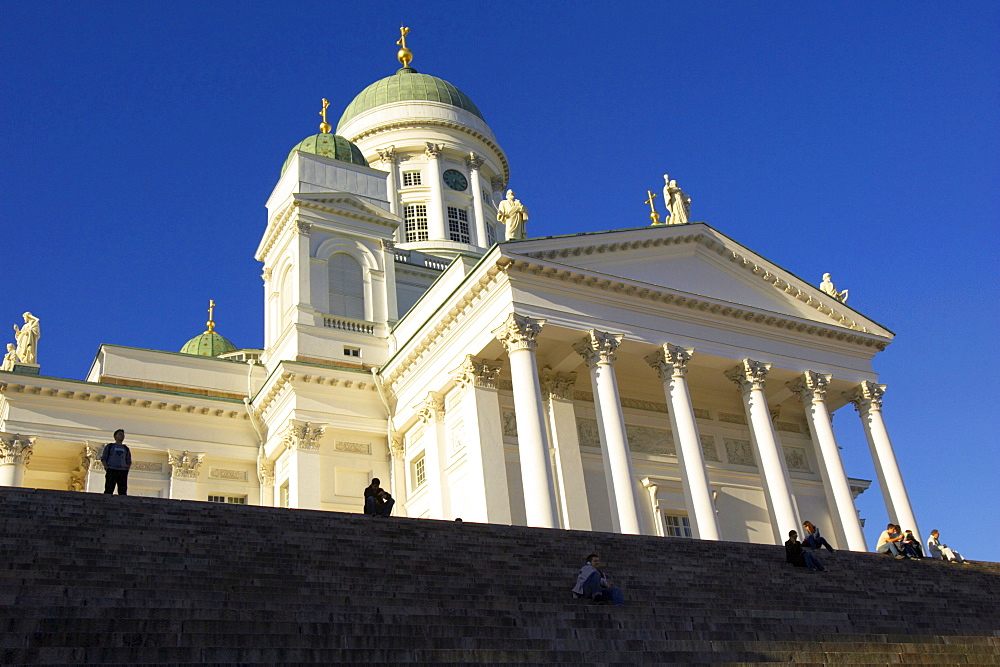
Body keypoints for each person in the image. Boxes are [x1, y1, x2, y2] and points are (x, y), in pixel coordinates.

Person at [100, 429, 132, 495]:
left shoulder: (126, 448)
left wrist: (126, 469)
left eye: (123, 435)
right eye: (120, 434)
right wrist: (106, 467)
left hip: (122, 471)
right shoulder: (110, 446)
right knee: (109, 488)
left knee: (122, 490)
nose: (122, 436)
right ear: (115, 436)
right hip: (112, 469)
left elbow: (128, 460)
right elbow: (104, 458)